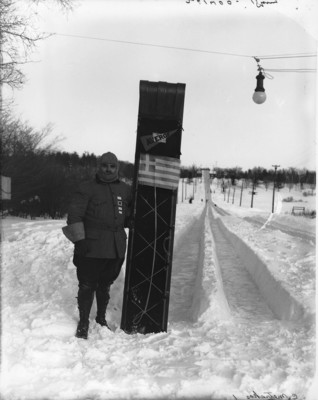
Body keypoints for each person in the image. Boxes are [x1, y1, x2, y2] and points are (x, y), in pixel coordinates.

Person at [62, 152, 132, 339]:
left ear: (117, 168)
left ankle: (101, 318)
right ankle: (84, 321)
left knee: (105, 284)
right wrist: (80, 241)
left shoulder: (125, 190)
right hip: (91, 246)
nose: (108, 169)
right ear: (98, 167)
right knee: (87, 285)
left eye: (112, 166)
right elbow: (74, 215)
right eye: (104, 165)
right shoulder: (86, 188)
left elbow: (128, 216)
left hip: (116, 246)